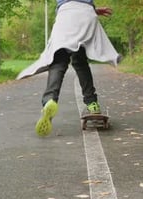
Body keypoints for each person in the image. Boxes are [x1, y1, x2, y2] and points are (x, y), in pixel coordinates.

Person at [17, 0, 121, 137]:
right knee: (80, 62)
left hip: (65, 15)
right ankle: (92, 104)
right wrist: (92, 9)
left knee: (58, 62)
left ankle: (49, 100)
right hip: (86, 14)